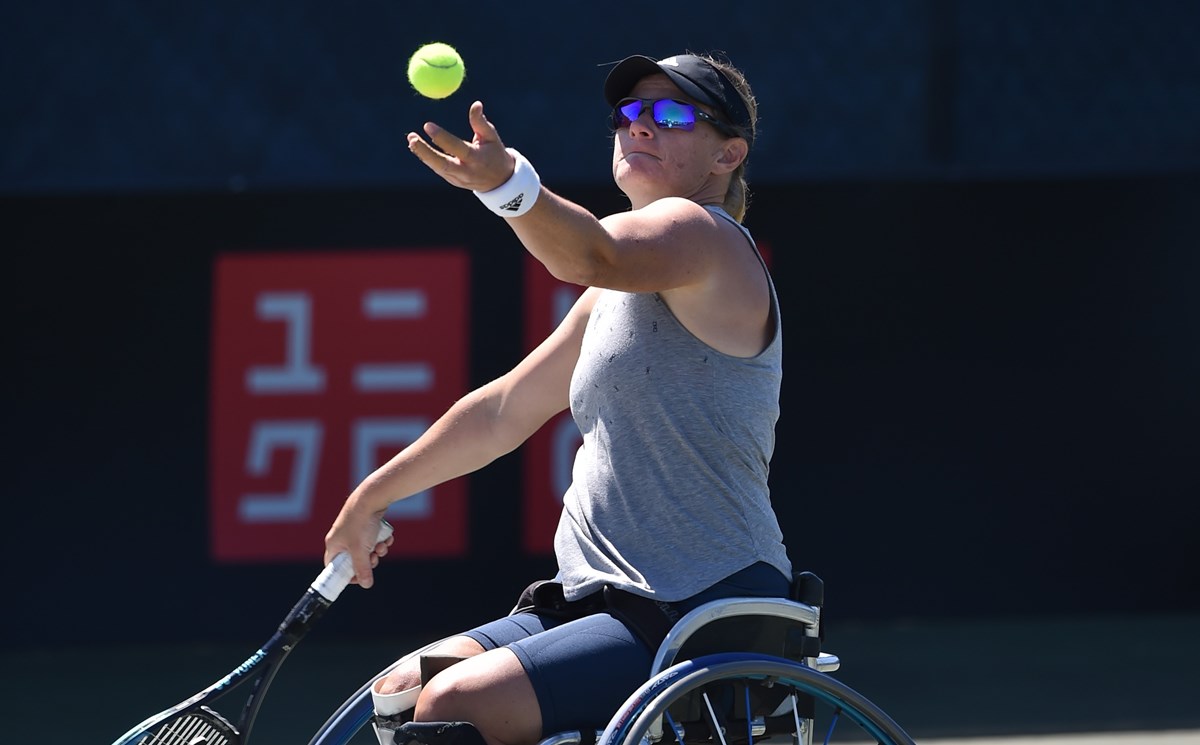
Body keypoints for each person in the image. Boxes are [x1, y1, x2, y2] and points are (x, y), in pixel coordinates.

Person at [323, 52, 793, 745]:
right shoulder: (614, 291)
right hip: (597, 596)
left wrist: (510, 186)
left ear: (728, 153)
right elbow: (504, 408)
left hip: (703, 603)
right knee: (402, 691)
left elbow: (591, 252)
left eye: (671, 115)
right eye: (630, 113)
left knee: (459, 702)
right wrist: (371, 494)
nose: (640, 128)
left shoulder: (707, 237)